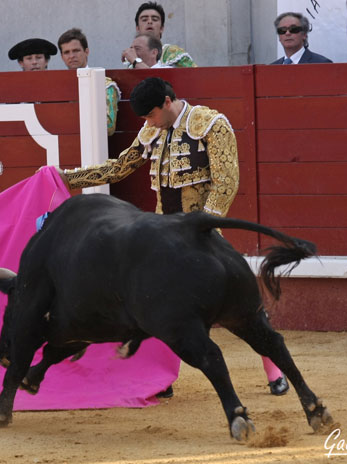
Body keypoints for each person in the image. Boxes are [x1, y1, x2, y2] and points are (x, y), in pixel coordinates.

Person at [59, 77, 289, 397]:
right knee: (155, 307)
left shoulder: (211, 125)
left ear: (167, 102)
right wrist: (67, 178)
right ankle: (161, 378)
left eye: (150, 115)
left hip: (200, 232)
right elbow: (120, 167)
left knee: (240, 302)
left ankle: (274, 369)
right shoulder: (152, 130)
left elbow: (226, 182)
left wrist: (204, 226)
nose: (147, 122)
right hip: (162, 235)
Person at [57, 28, 121, 136]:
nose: (72, 56)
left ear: (86, 52)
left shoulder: (105, 85)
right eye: (67, 52)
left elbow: (109, 127)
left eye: (76, 50)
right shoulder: (57, 86)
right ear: (62, 57)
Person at [131, 2, 197, 68]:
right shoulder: (131, 58)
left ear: (161, 28)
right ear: (138, 28)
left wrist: (135, 62)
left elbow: (195, 76)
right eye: (144, 20)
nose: (150, 22)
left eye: (155, 19)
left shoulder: (175, 54)